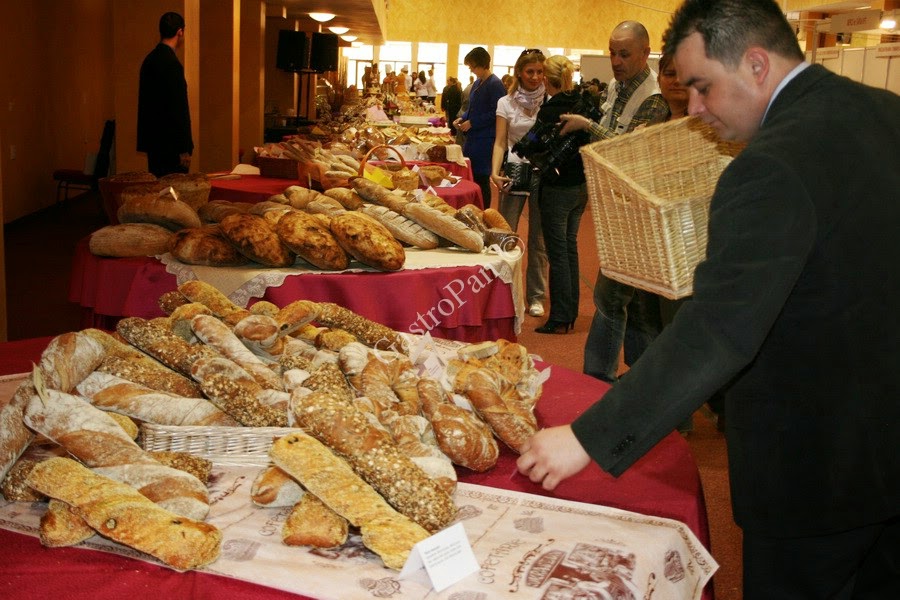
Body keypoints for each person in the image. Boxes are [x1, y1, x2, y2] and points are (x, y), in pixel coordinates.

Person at [517, 1, 900, 597]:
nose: (694, 107)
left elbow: (719, 329)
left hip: (817, 467)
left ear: (755, 64)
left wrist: (588, 437)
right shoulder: (885, 112)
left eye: (702, 86)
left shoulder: (771, 164)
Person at [558, 20, 669, 383]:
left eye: (624, 54)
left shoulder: (654, 98)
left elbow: (627, 151)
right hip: (617, 208)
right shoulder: (617, 88)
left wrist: (587, 126)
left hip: (641, 212)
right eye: (612, 53)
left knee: (611, 297)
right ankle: (643, 380)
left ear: (645, 53)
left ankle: (597, 377)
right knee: (635, 304)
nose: (616, 61)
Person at [525, 55, 590, 334]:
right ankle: (569, 310)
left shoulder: (550, 110)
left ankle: (561, 315)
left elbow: (532, 144)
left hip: (557, 187)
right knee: (570, 247)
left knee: (557, 252)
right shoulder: (581, 103)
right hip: (580, 186)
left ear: (545, 78)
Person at [489, 49, 549, 319]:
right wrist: (495, 171)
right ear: (519, 73)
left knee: (539, 240)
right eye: (530, 71)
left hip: (542, 173)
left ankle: (536, 296)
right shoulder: (505, 102)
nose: (535, 77)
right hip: (513, 172)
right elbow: (500, 141)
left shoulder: (550, 101)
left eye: (539, 72)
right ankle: (503, 291)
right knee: (505, 235)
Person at [137, 11, 193, 177]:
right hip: (172, 145)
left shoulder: (149, 60)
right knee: (174, 188)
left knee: (158, 186)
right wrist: (184, 147)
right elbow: (179, 107)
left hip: (154, 142)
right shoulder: (172, 64)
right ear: (180, 32)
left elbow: (146, 105)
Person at [454, 47, 506, 210]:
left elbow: (496, 113)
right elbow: (473, 108)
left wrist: (473, 122)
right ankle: (473, 208)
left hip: (485, 139)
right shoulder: (477, 82)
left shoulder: (495, 84)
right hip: (473, 138)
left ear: (482, 64)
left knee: (482, 178)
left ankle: (484, 211)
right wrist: (463, 118)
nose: (470, 69)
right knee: (471, 175)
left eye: (472, 66)